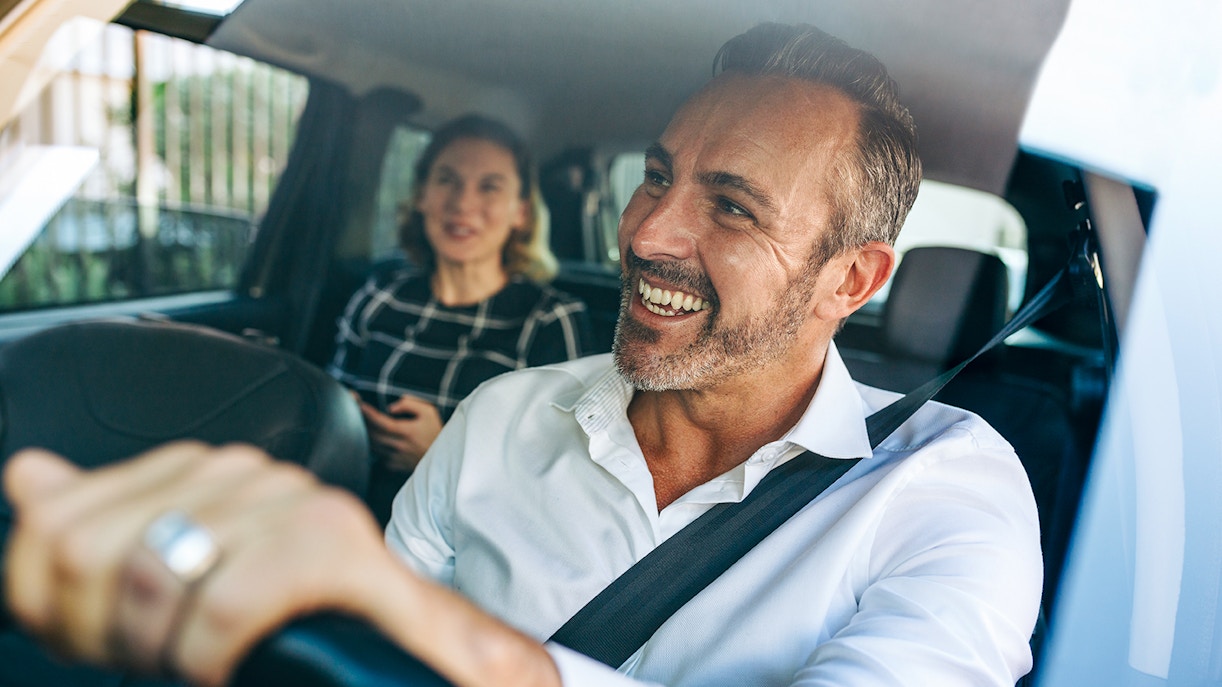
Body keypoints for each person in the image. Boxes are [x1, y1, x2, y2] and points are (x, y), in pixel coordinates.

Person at [3, 22, 1042, 687]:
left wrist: (455, 649)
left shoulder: (945, 491)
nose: (645, 235)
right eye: (656, 176)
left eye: (728, 205)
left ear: (851, 281)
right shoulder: (502, 417)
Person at [327, 114, 593, 522]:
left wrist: (442, 454)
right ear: (421, 197)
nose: (463, 203)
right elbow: (332, 399)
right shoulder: (380, 294)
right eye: (447, 180)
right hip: (345, 513)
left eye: (489, 186)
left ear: (520, 211)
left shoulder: (550, 319)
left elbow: (559, 480)